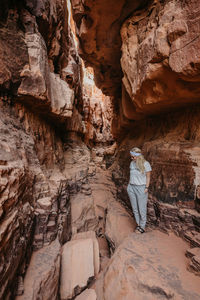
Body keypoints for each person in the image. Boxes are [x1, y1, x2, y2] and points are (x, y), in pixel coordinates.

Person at [127, 147, 152, 233]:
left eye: (133, 157)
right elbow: (131, 175)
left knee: (142, 208)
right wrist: (129, 186)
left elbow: (148, 177)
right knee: (134, 208)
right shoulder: (132, 163)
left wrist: (146, 188)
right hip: (131, 187)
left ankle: (142, 227)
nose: (131, 158)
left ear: (138, 156)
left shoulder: (146, 164)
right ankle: (138, 224)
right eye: (131, 156)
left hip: (141, 188)